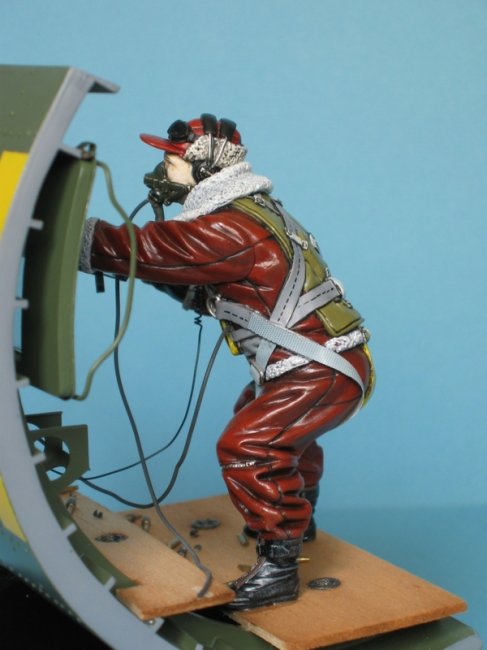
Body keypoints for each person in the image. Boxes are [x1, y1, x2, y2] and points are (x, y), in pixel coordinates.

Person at [80, 114, 374, 610]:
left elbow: (151, 250)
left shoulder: (228, 227)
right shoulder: (250, 211)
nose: (163, 168)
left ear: (204, 166)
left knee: (251, 444)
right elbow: (209, 277)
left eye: (171, 159)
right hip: (320, 364)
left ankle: (279, 567)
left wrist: (78, 237)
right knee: (279, 432)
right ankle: (300, 524)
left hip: (318, 369)